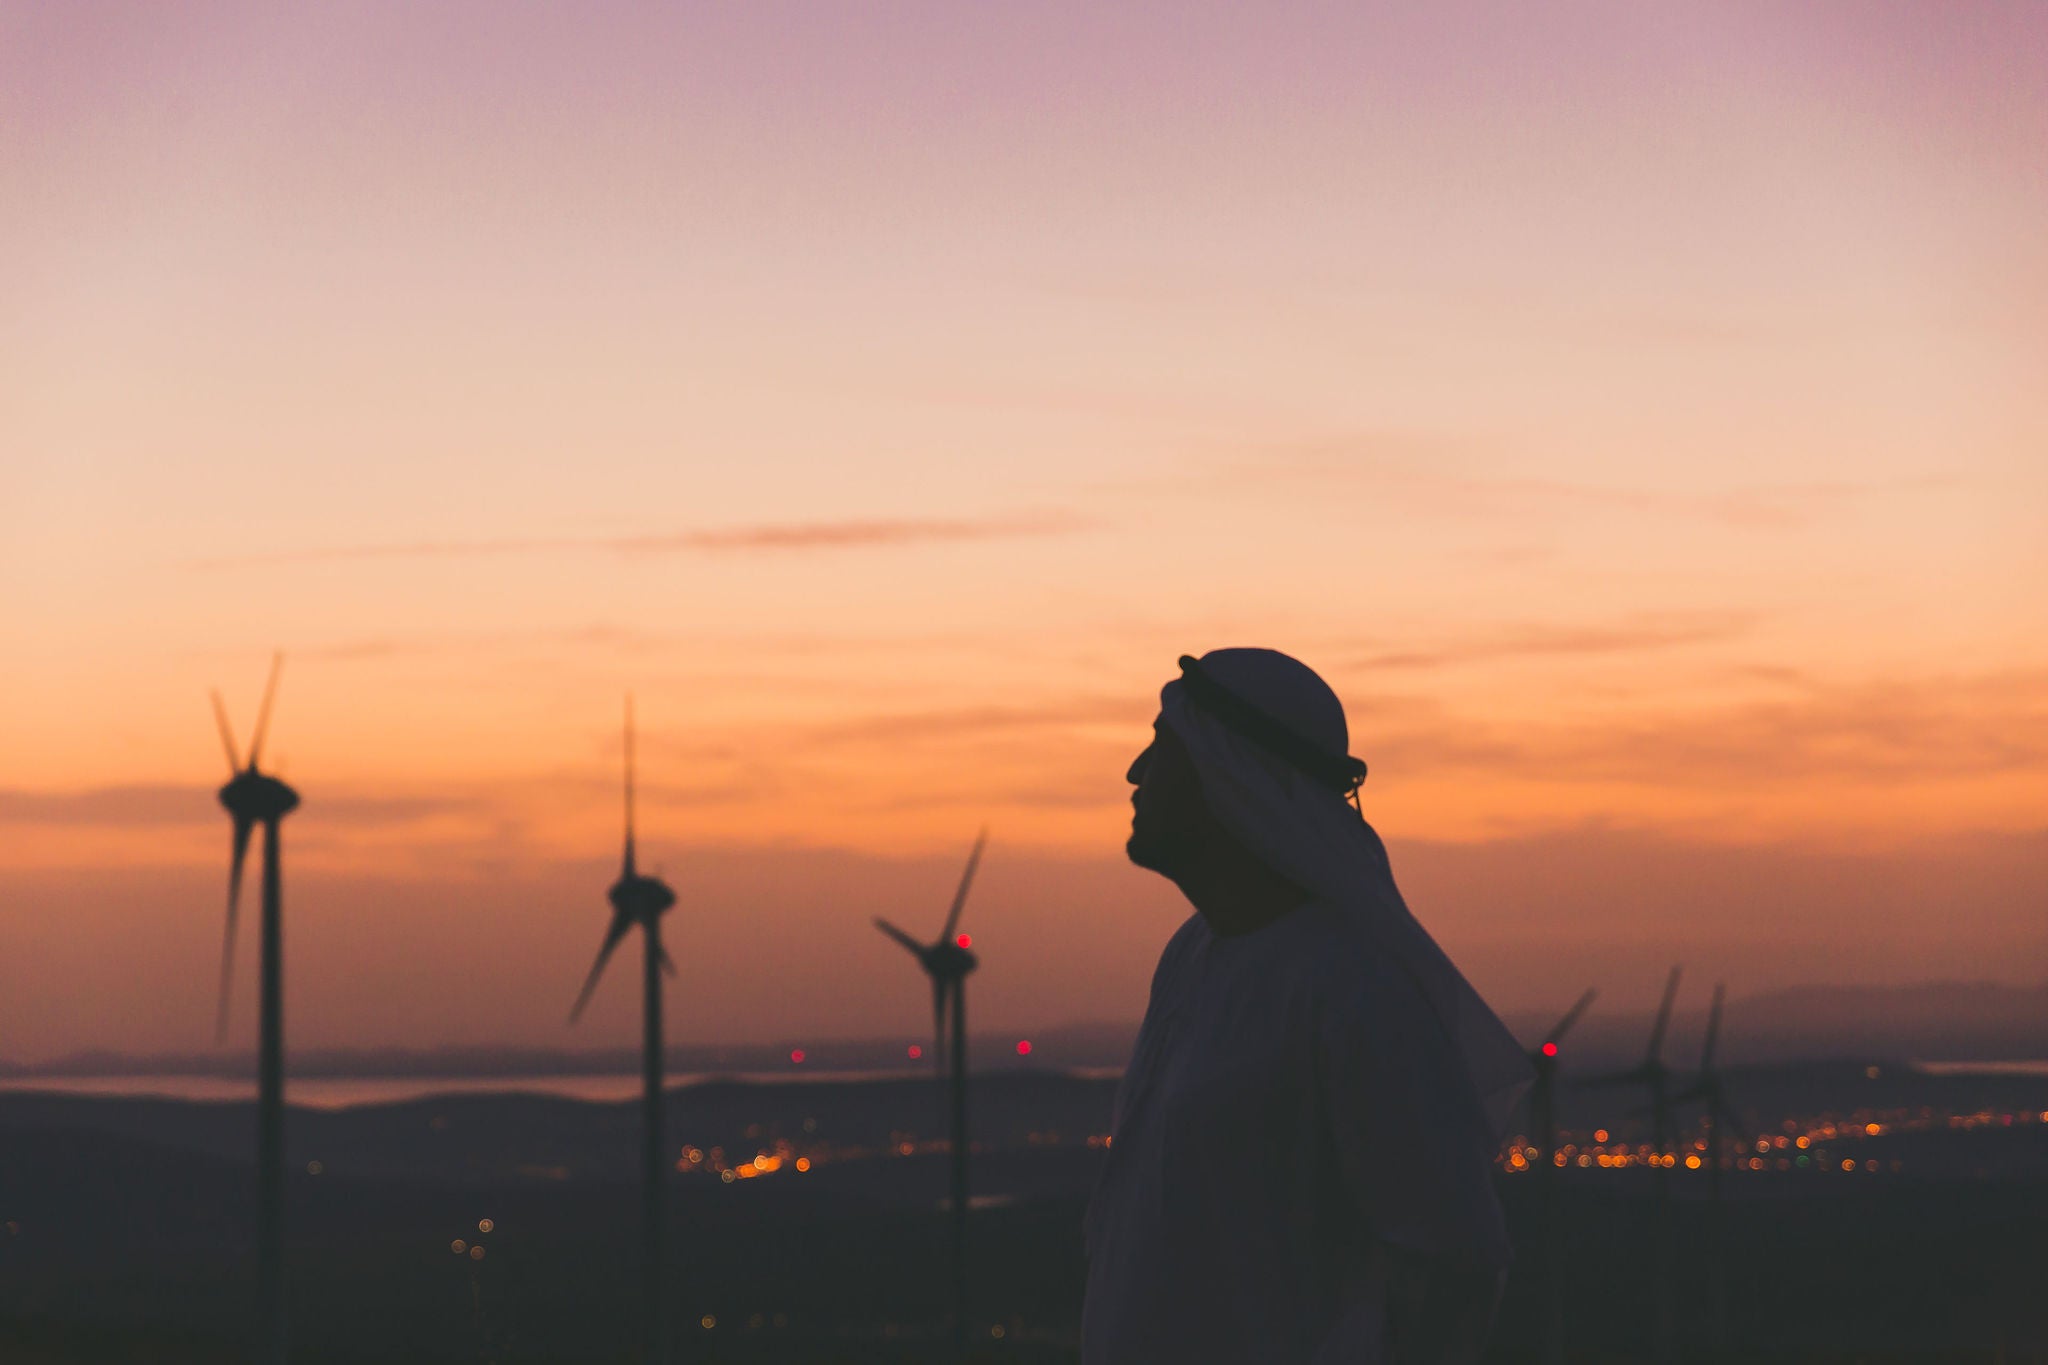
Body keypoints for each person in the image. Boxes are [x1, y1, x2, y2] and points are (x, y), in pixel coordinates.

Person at [1081, 649, 1531, 1365]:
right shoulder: (1190, 956)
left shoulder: (1353, 983)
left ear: (1226, 776)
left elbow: (1458, 1261)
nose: (1136, 772)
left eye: (1164, 747)